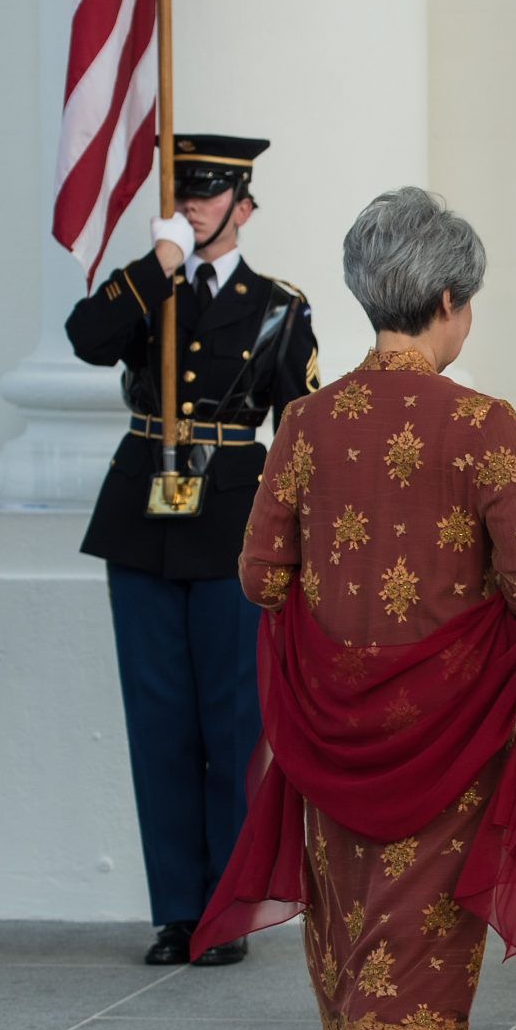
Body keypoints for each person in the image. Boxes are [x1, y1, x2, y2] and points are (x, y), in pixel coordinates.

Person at [189, 188, 516, 1030]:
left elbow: (261, 574)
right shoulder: (482, 425)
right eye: (469, 305)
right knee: (421, 945)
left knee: (363, 940)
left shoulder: (306, 422)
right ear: (448, 299)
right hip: (445, 742)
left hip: (329, 739)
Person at [66, 134, 321, 968]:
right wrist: (157, 261)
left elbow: (301, 430)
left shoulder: (279, 305)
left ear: (244, 207)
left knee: (234, 718)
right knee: (158, 721)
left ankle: (229, 907)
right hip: (143, 513)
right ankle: (177, 909)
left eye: (210, 195)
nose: (195, 206)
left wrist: (296, 539)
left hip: (231, 520)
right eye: (186, 193)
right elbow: (88, 338)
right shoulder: (149, 286)